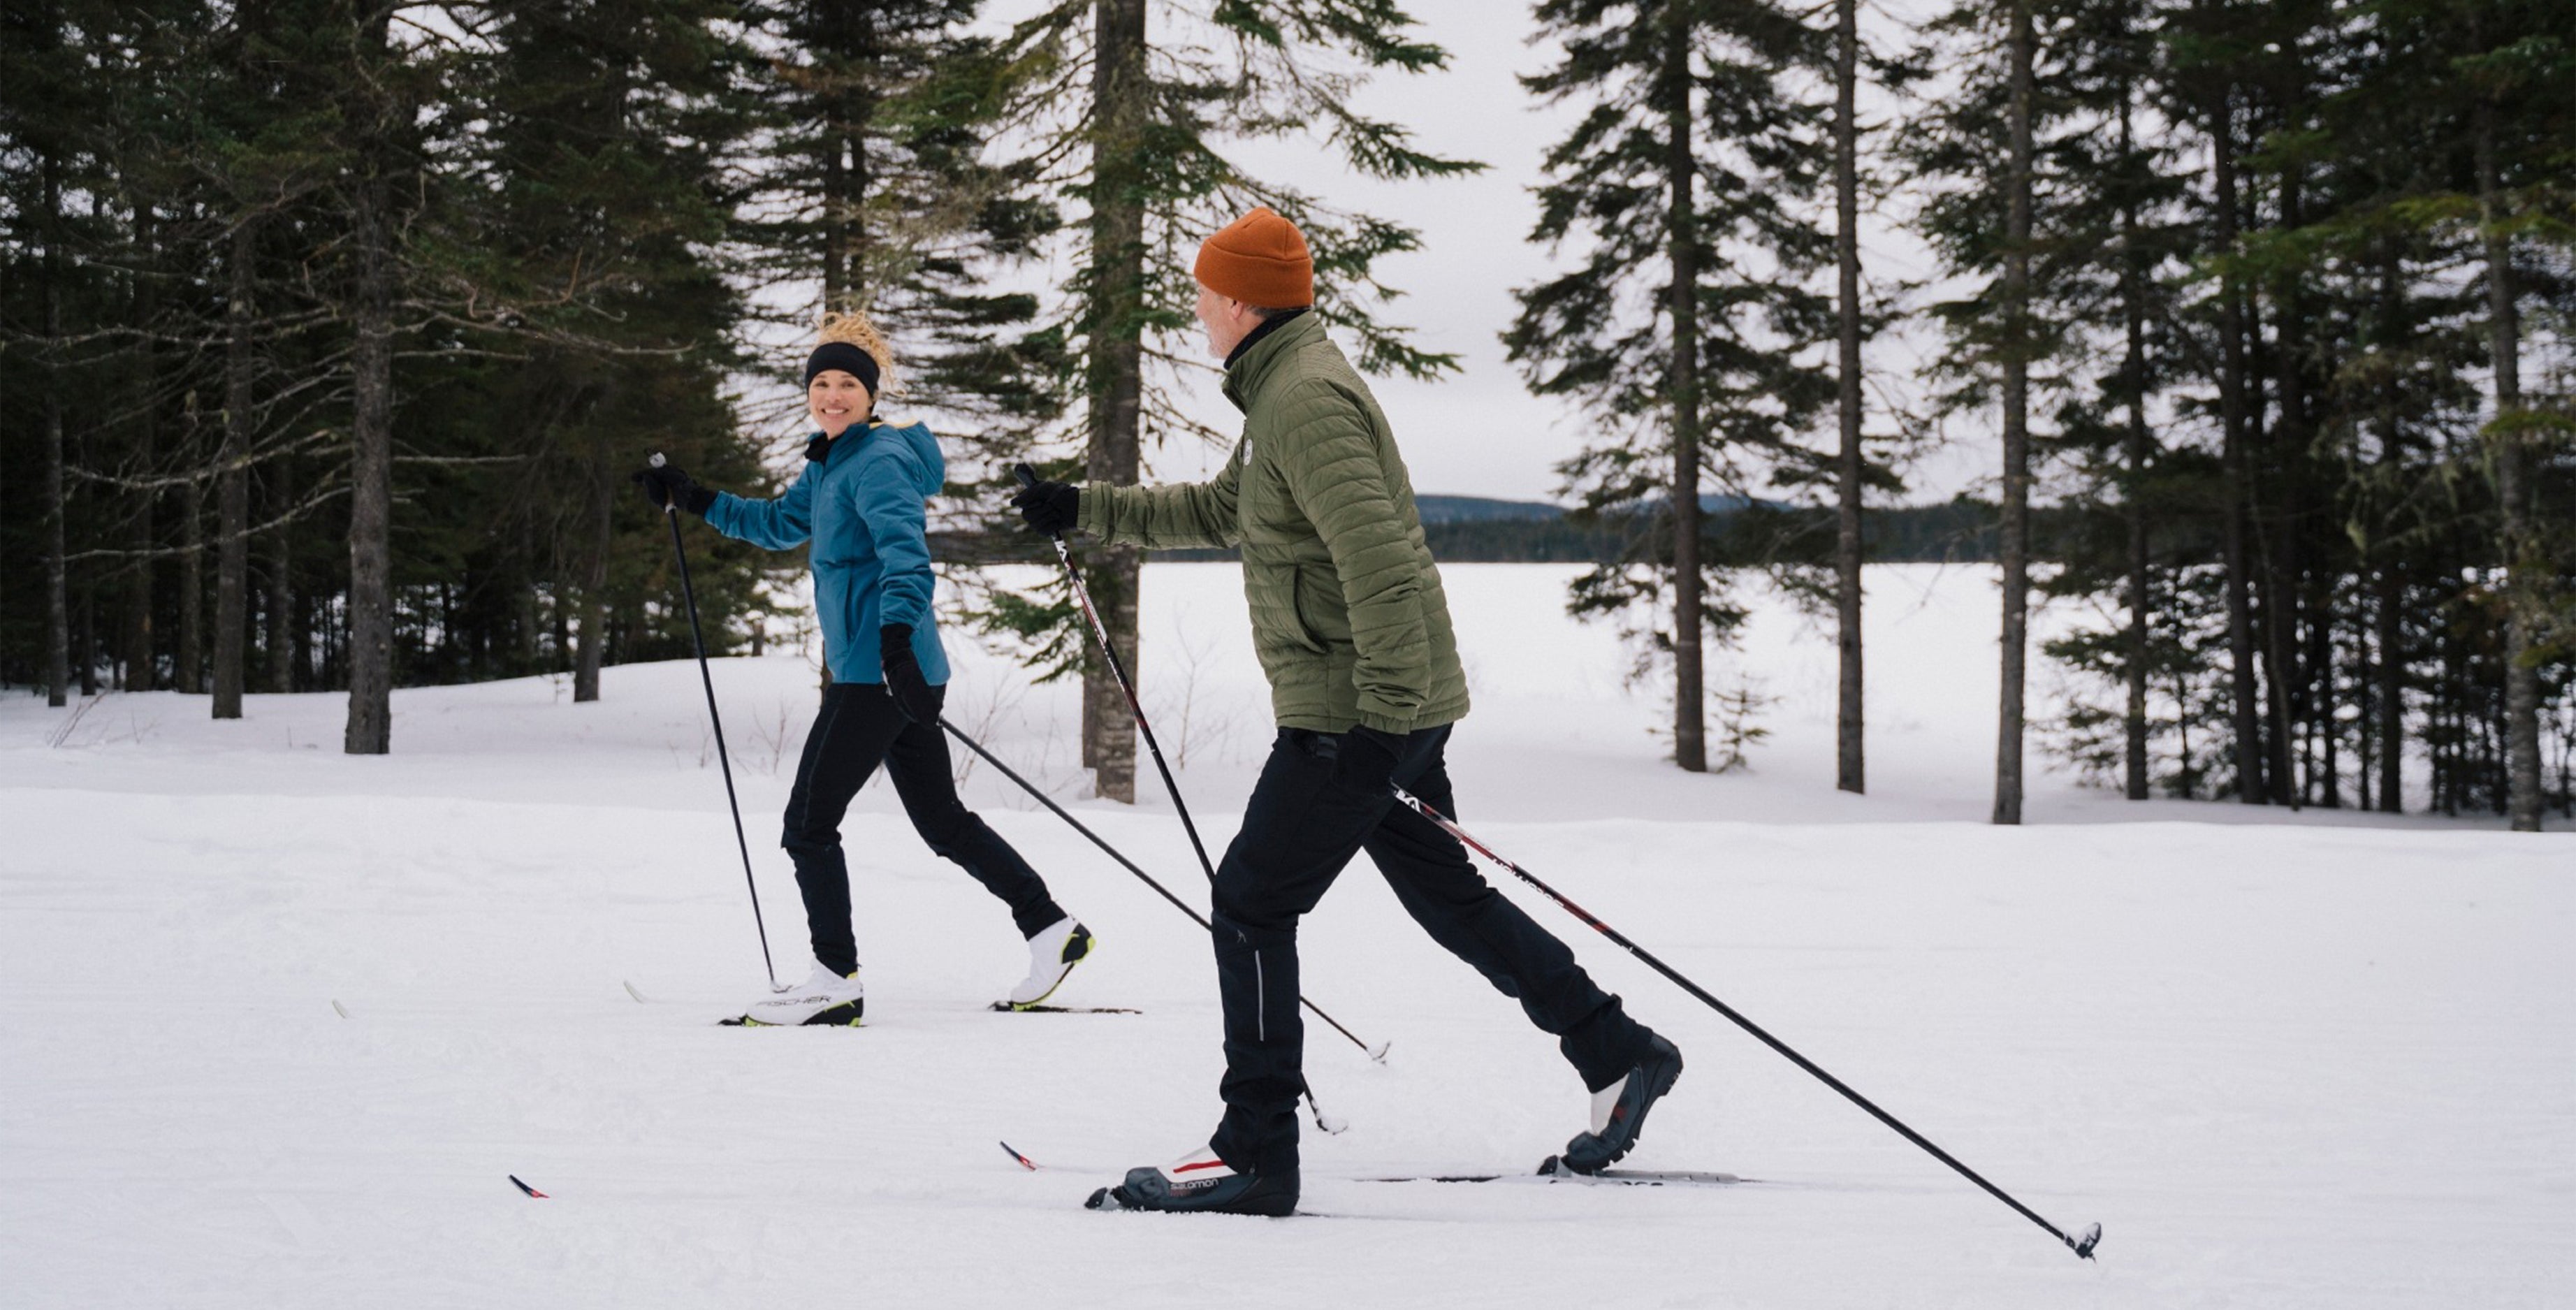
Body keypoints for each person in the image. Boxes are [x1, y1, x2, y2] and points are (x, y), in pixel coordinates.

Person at [1013, 209, 1682, 1215]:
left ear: (1238, 301)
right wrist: (1084, 505)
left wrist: (1377, 726)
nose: (1197, 312)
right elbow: (1220, 511)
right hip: (1379, 701)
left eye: (1203, 295)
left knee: (1248, 901)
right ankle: (1615, 1048)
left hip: (1354, 708)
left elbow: (1376, 564)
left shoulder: (1306, 401)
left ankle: (1255, 1150)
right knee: (1445, 897)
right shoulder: (1286, 386)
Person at [639, 311, 1093, 1025]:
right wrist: (695, 499)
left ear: (872, 394)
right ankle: (1049, 927)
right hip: (887, 670)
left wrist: (891, 648)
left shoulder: (876, 460)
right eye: (821, 382)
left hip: (879, 673)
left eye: (847, 383)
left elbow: (906, 558)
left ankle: (834, 977)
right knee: (943, 823)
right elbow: (778, 523)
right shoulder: (830, 460)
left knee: (807, 826)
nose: (832, 395)